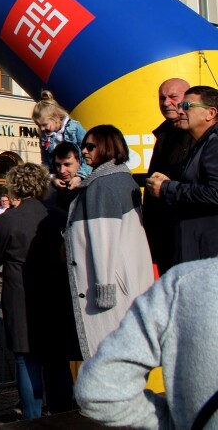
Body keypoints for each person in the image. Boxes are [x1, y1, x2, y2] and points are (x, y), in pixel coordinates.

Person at [74, 258, 218, 429]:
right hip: (119, 289)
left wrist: (176, 422)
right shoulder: (182, 283)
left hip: (120, 291)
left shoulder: (183, 283)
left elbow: (97, 389)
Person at [0, 163, 78, 419]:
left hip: (20, 295)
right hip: (55, 293)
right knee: (57, 360)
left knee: (27, 359)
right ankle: (64, 415)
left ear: (14, 187)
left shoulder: (7, 220)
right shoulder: (58, 215)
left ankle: (31, 419)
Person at [66, 124, 153, 360]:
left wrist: (104, 289)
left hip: (106, 289)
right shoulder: (122, 178)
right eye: (84, 146)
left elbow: (103, 236)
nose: (84, 151)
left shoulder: (103, 185)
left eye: (90, 146)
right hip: (127, 283)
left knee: (107, 359)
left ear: (107, 146)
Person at [146, 85, 218, 265]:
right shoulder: (203, 143)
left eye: (187, 106)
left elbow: (215, 193)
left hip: (208, 254)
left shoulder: (214, 144)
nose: (180, 110)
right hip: (198, 249)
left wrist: (167, 188)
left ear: (210, 113)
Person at [141, 78, 192, 275]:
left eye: (173, 97)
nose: (165, 103)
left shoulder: (199, 135)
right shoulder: (164, 135)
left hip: (187, 234)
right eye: (162, 98)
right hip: (164, 234)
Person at [33, 89, 91, 186]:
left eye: (44, 124)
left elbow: (88, 153)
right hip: (60, 179)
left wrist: (80, 176)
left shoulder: (74, 128)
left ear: (56, 118)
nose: (42, 129)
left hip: (80, 177)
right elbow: (45, 161)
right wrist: (53, 177)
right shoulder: (45, 137)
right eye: (39, 126)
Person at [50, 142, 83, 213]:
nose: (62, 171)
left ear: (80, 162)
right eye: (58, 165)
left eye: (67, 164)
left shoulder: (91, 187)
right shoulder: (50, 190)